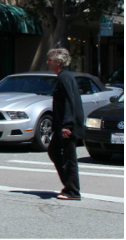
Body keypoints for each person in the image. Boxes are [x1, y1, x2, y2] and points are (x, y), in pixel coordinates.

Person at [47, 48, 85, 201]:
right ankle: (68, 185)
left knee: (70, 158)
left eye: (50, 60)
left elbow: (70, 101)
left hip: (67, 126)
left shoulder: (64, 77)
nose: (48, 62)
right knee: (54, 151)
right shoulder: (64, 77)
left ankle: (73, 191)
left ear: (59, 62)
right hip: (61, 125)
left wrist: (67, 125)